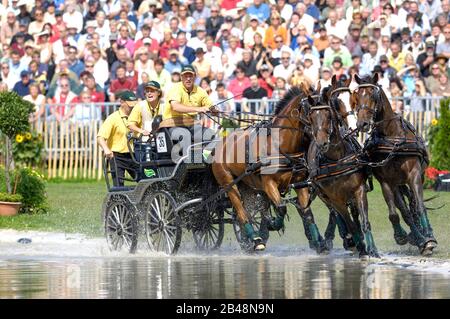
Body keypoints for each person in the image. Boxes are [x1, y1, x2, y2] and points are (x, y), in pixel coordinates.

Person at [97, 90, 139, 187]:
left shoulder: (136, 117)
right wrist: (106, 149)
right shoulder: (113, 118)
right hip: (117, 156)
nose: (132, 107)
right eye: (129, 105)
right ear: (121, 102)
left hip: (133, 156)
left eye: (134, 105)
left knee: (143, 180)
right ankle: (118, 201)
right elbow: (100, 137)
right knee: (118, 185)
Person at [161, 64, 213, 129]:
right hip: (172, 123)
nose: (188, 79)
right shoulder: (175, 88)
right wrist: (198, 109)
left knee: (209, 134)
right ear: (181, 77)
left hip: (191, 123)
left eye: (190, 76)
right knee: (184, 135)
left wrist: (214, 109)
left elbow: (210, 106)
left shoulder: (201, 91)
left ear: (195, 77)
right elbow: (175, 107)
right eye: (185, 76)